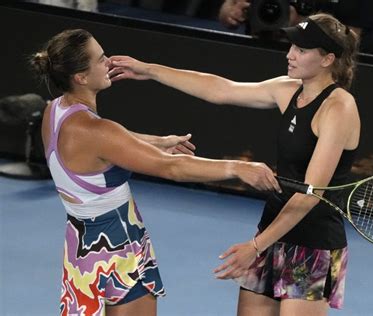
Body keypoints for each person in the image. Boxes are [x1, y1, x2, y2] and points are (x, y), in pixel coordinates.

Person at [109, 12, 360, 315]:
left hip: (313, 245)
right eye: (292, 46)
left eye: (301, 50)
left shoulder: (339, 107)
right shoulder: (288, 88)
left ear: (327, 59)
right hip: (273, 227)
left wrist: (255, 247)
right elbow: (221, 89)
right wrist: (149, 70)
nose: (289, 55)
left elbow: (310, 194)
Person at [30, 29, 281, 316]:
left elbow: (109, 144)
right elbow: (171, 167)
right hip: (118, 247)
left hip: (83, 245)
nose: (109, 61)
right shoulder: (97, 131)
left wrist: (158, 142)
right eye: (100, 59)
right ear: (81, 77)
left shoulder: (56, 111)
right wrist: (237, 167)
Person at [219, 0, 373, 55]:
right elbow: (227, 15)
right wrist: (232, 8)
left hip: (353, 65)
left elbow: (349, 39)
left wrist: (299, 24)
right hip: (270, 52)